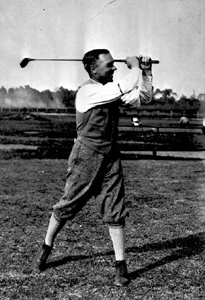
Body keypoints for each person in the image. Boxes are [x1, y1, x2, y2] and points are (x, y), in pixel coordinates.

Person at [32, 49, 153, 286]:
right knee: (68, 204)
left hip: (110, 156)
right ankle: (46, 245)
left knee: (115, 210)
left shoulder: (109, 91)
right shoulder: (87, 92)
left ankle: (121, 266)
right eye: (109, 66)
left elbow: (143, 98)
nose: (114, 68)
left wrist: (146, 73)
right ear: (93, 69)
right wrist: (135, 67)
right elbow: (121, 88)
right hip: (86, 155)